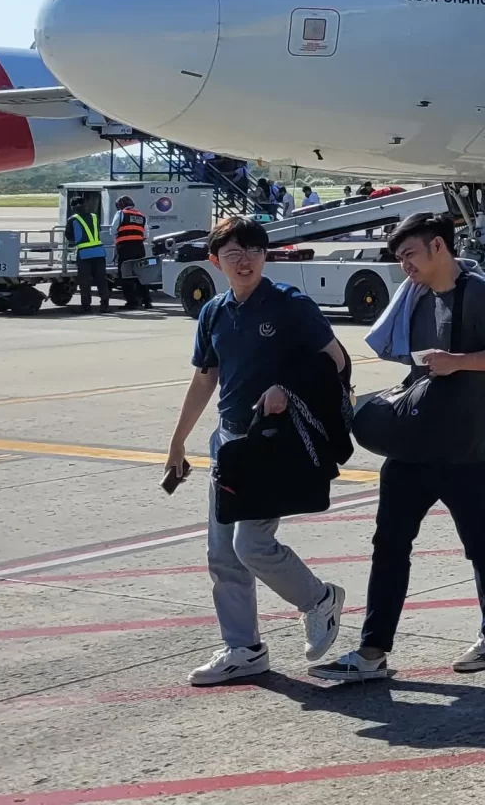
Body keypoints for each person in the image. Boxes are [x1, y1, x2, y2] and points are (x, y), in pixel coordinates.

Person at [312, 212, 485, 683]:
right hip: (413, 445)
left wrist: (460, 361)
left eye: (409, 254)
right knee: (388, 545)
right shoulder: (416, 296)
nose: (403, 265)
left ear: (438, 247)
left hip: (468, 449)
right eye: (399, 257)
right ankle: (372, 652)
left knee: (481, 544)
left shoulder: (481, 295)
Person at [163, 216, 349, 686]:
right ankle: (243, 648)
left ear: (266, 256)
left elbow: (336, 359)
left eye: (253, 251)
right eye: (232, 254)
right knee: (223, 553)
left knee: (252, 545)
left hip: (274, 440)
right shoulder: (214, 313)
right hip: (229, 442)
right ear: (215, 261)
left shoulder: (289, 305)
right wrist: (178, 440)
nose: (244, 261)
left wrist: (286, 386)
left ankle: (319, 599)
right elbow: (205, 377)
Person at [68, 202, 112, 311]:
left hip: (84, 254)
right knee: (101, 280)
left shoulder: (73, 219)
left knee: (85, 282)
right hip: (99, 252)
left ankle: (86, 306)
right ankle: (105, 305)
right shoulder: (94, 217)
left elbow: (69, 236)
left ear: (73, 207)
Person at [112, 195, 150, 309]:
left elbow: (113, 230)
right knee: (141, 275)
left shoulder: (121, 214)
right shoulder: (141, 216)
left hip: (125, 248)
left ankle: (131, 302)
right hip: (139, 248)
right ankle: (147, 301)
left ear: (120, 205)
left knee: (125, 275)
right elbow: (146, 235)